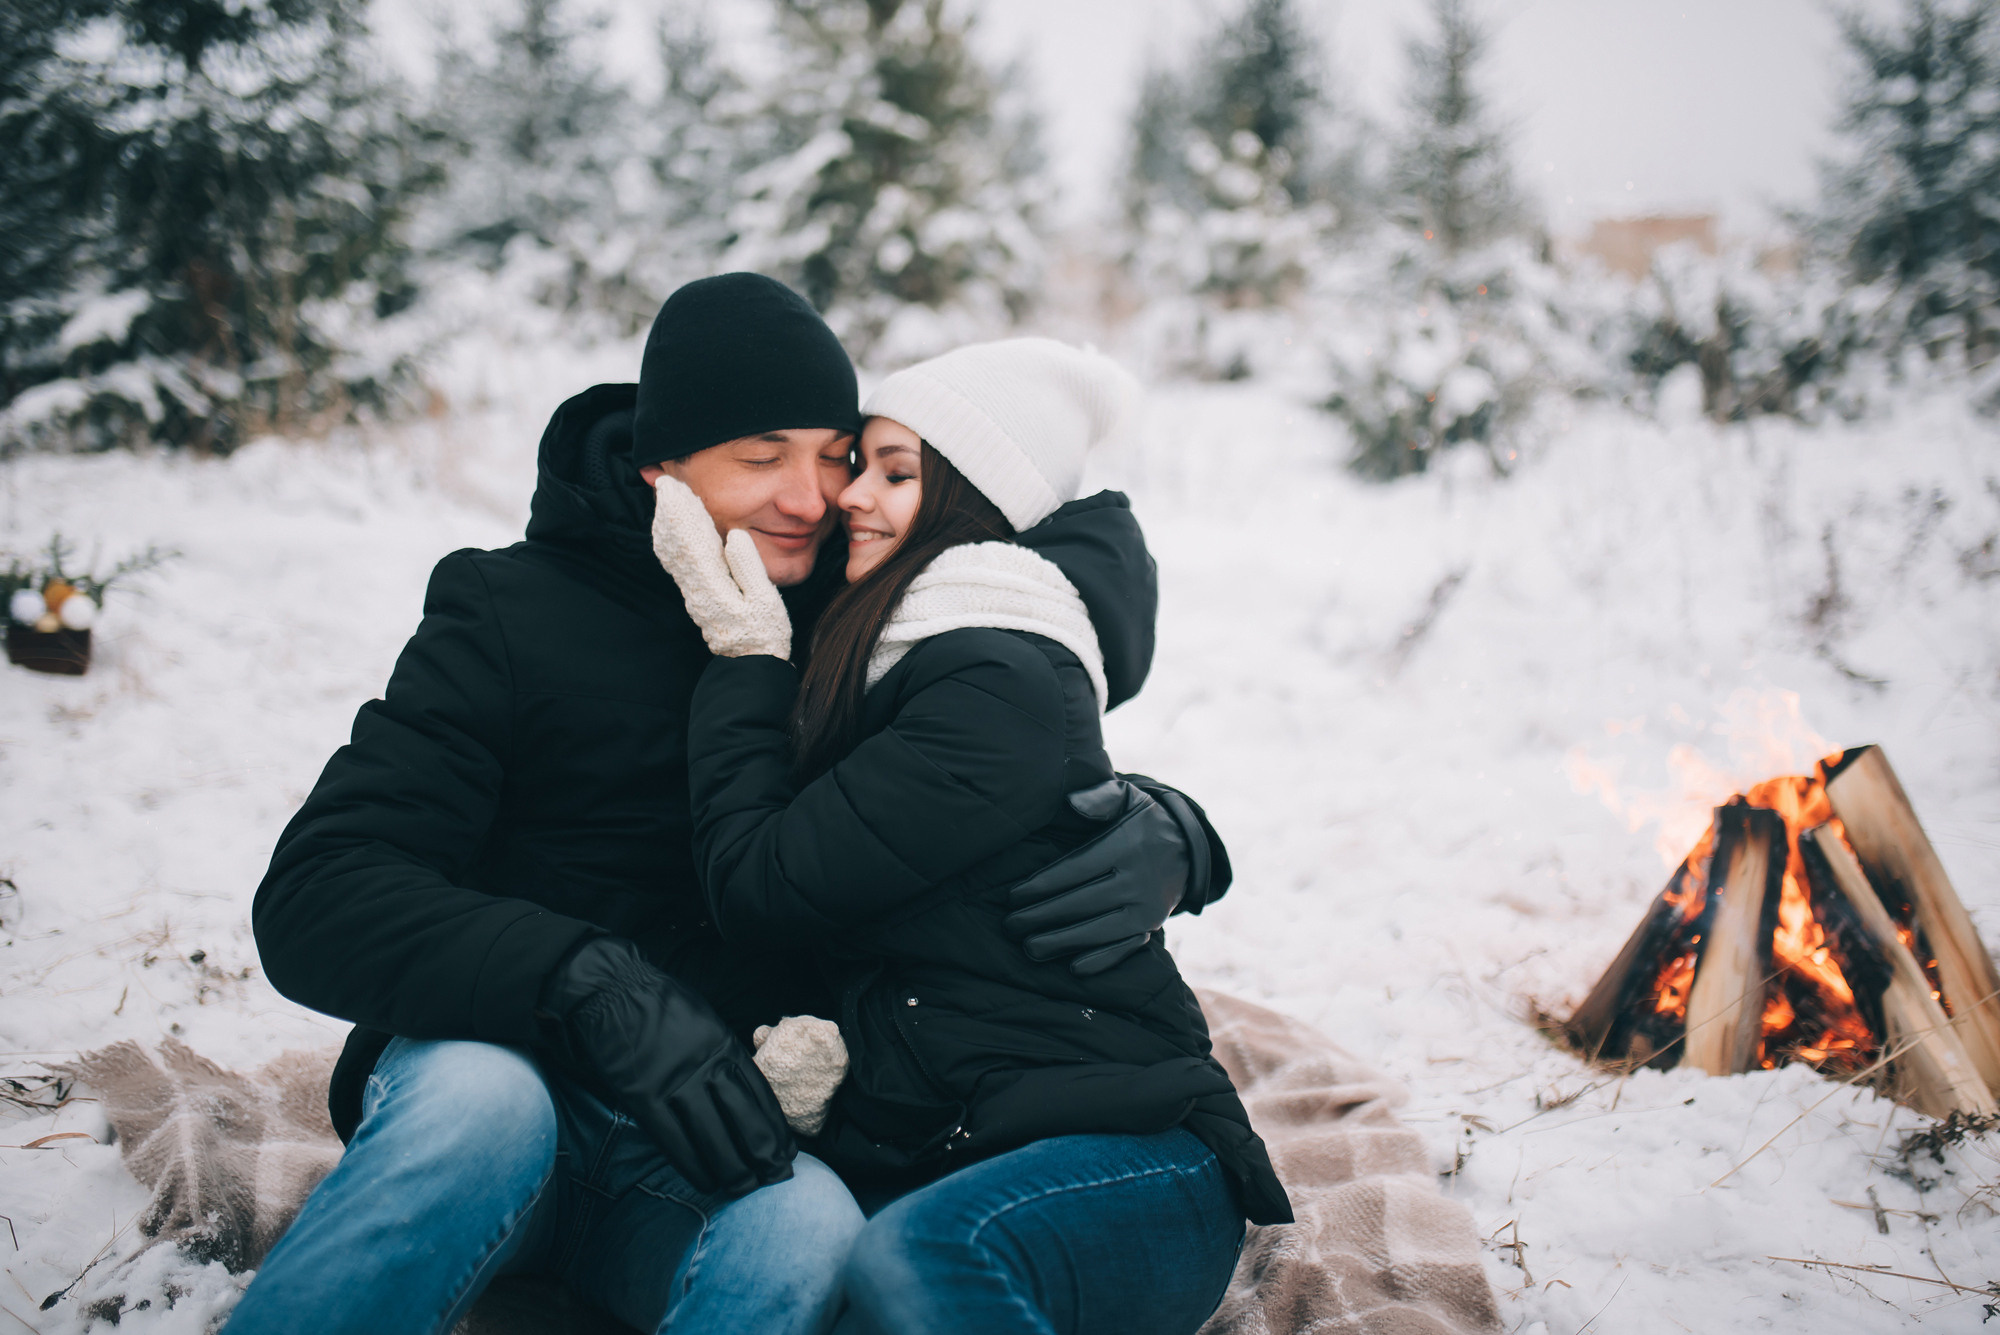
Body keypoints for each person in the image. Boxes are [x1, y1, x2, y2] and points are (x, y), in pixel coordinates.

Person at [228, 276, 1226, 1335]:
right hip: (501, 1063)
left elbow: (1033, 605)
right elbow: (317, 895)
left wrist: (1173, 827)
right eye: (760, 457)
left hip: (708, 1134)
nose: (810, 496)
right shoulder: (510, 610)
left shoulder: (846, 611)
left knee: (810, 1234)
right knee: (485, 1109)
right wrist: (581, 982)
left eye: (833, 456)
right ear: (661, 464)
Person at [653, 337, 1292, 1335]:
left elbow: (760, 887)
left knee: (916, 1255)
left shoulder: (989, 680)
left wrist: (743, 661)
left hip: (1125, 1159)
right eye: (859, 464)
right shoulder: (896, 649)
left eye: (896, 473)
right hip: (952, 1144)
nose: (847, 498)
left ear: (973, 503)